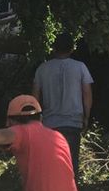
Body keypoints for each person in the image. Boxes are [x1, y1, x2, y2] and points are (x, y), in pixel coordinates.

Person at [33, 32, 93, 180]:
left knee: (51, 164)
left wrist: (36, 119)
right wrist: (86, 116)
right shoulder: (80, 67)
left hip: (49, 124)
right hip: (73, 122)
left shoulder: (43, 68)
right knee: (71, 163)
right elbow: (87, 93)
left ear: (53, 48)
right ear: (72, 48)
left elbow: (34, 96)